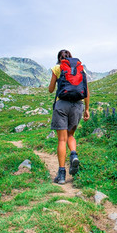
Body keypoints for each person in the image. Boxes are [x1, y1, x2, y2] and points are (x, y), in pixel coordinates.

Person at [48, 49, 90, 184]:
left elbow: (50, 89)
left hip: (62, 105)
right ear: (71, 58)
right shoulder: (80, 69)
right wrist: (87, 109)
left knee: (61, 140)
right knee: (71, 136)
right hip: (77, 105)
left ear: (59, 58)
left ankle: (61, 175)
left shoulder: (57, 68)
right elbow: (86, 91)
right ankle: (73, 154)